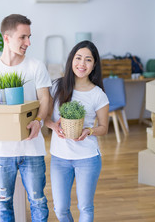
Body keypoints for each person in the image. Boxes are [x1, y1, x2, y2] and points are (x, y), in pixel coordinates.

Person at [0, 14, 51, 222]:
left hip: (32, 148)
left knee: (37, 201)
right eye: (23, 37)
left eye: (29, 37)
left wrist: (39, 121)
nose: (28, 42)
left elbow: (45, 99)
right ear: (6, 38)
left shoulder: (36, 66)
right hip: (1, 150)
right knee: (3, 201)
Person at [44, 40, 109, 222]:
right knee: (60, 209)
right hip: (59, 157)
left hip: (87, 158)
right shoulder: (57, 86)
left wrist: (89, 131)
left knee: (85, 207)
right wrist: (53, 126)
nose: (82, 64)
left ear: (94, 65)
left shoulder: (98, 94)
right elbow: (46, 118)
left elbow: (104, 128)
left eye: (88, 60)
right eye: (78, 58)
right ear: (71, 59)